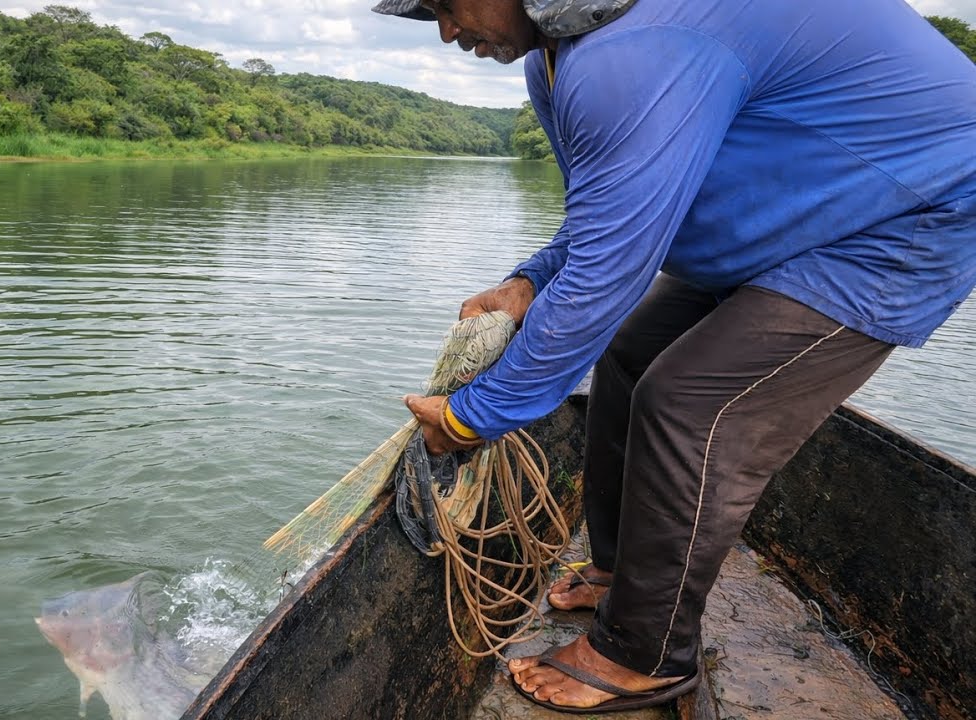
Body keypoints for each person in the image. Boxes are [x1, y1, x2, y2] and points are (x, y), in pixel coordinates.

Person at [376, 0, 976, 713]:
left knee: (691, 404)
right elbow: (611, 210)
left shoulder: (638, 50)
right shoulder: (555, 58)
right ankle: (617, 573)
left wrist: (475, 415)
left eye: (447, 3)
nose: (446, 30)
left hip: (909, 215)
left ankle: (645, 655)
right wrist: (529, 280)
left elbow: (607, 272)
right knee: (630, 355)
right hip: (797, 210)